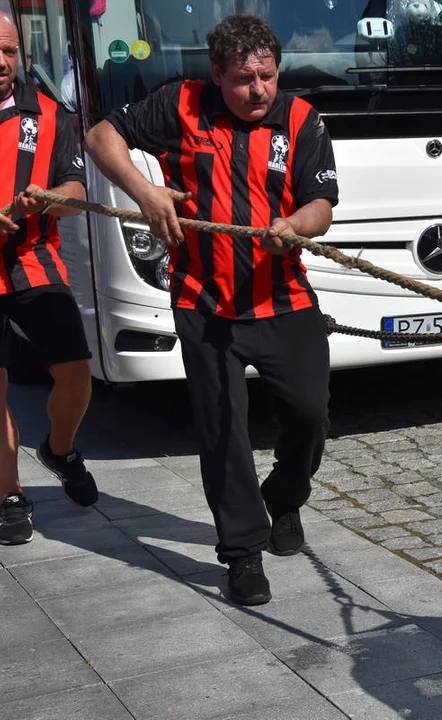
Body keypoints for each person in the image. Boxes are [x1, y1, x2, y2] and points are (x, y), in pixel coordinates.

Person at [84, 13, 338, 605]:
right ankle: (242, 552)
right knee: (222, 427)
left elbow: (322, 203)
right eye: (244, 79)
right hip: (204, 300)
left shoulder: (301, 119)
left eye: (268, 77)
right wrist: (143, 192)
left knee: (310, 414)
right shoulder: (180, 104)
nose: (258, 91)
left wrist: (294, 226)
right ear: (217, 74)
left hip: (284, 297)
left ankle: (284, 498)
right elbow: (100, 136)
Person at [0, 11, 96, 546]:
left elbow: (77, 192)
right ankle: (10, 493)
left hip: (34, 260)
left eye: (10, 51)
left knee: (77, 374)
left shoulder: (53, 116)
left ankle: (59, 449)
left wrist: (55, 201)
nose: (2, 62)